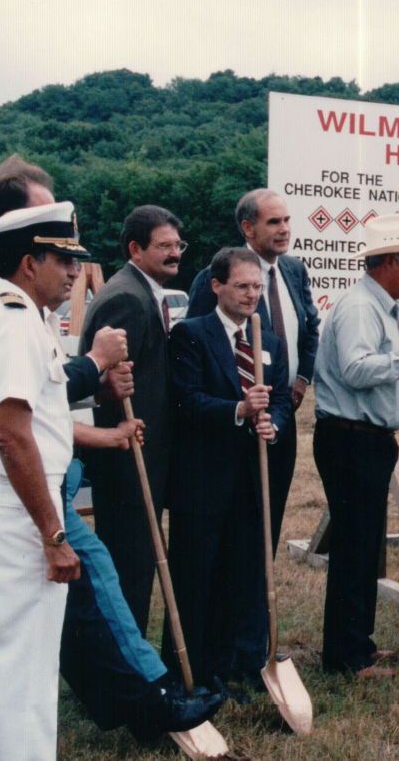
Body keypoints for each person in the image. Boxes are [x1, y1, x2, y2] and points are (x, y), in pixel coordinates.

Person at [0, 201, 88, 761]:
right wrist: (53, 536)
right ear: (29, 263)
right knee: (23, 665)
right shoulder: (11, 320)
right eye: (63, 259)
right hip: (14, 509)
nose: (75, 272)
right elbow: (12, 436)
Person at [185, 189, 320, 686]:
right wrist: (241, 408)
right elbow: (208, 349)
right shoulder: (214, 279)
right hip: (230, 434)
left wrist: (298, 384)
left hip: (277, 423)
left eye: (287, 220)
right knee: (230, 545)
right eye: (273, 222)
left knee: (262, 538)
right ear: (248, 228)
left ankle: (253, 650)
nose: (284, 229)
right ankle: (219, 655)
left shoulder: (295, 272)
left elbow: (309, 331)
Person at [313, 214, 399, 678]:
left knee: (365, 545)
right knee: (354, 546)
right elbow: (356, 369)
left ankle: (358, 646)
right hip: (351, 440)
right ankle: (345, 658)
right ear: (388, 261)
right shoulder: (360, 308)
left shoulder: (380, 306)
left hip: (366, 441)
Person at [161, 247, 292, 694]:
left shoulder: (268, 341)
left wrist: (273, 422)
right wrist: (237, 408)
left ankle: (230, 664)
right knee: (198, 576)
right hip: (203, 480)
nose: (252, 295)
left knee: (241, 571)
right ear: (217, 286)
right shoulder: (191, 335)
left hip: (250, 480)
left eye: (257, 287)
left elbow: (278, 400)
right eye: (242, 286)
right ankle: (185, 672)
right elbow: (187, 400)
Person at [60, 438, 225, 740]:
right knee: (94, 592)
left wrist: (98, 394)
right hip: (37, 501)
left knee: (93, 586)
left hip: (53, 496)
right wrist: (113, 433)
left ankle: (150, 690)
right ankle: (153, 696)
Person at [79, 205, 186, 636]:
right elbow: (102, 384)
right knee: (130, 566)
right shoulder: (126, 296)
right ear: (135, 249)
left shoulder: (145, 291)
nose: (175, 253)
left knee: (137, 564)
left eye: (178, 245)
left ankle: (131, 667)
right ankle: (127, 676)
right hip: (127, 460)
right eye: (164, 246)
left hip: (145, 453)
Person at [0, 153, 130, 404]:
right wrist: (96, 360)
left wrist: (96, 391)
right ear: (11, 222)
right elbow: (25, 397)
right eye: (43, 219)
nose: (53, 228)